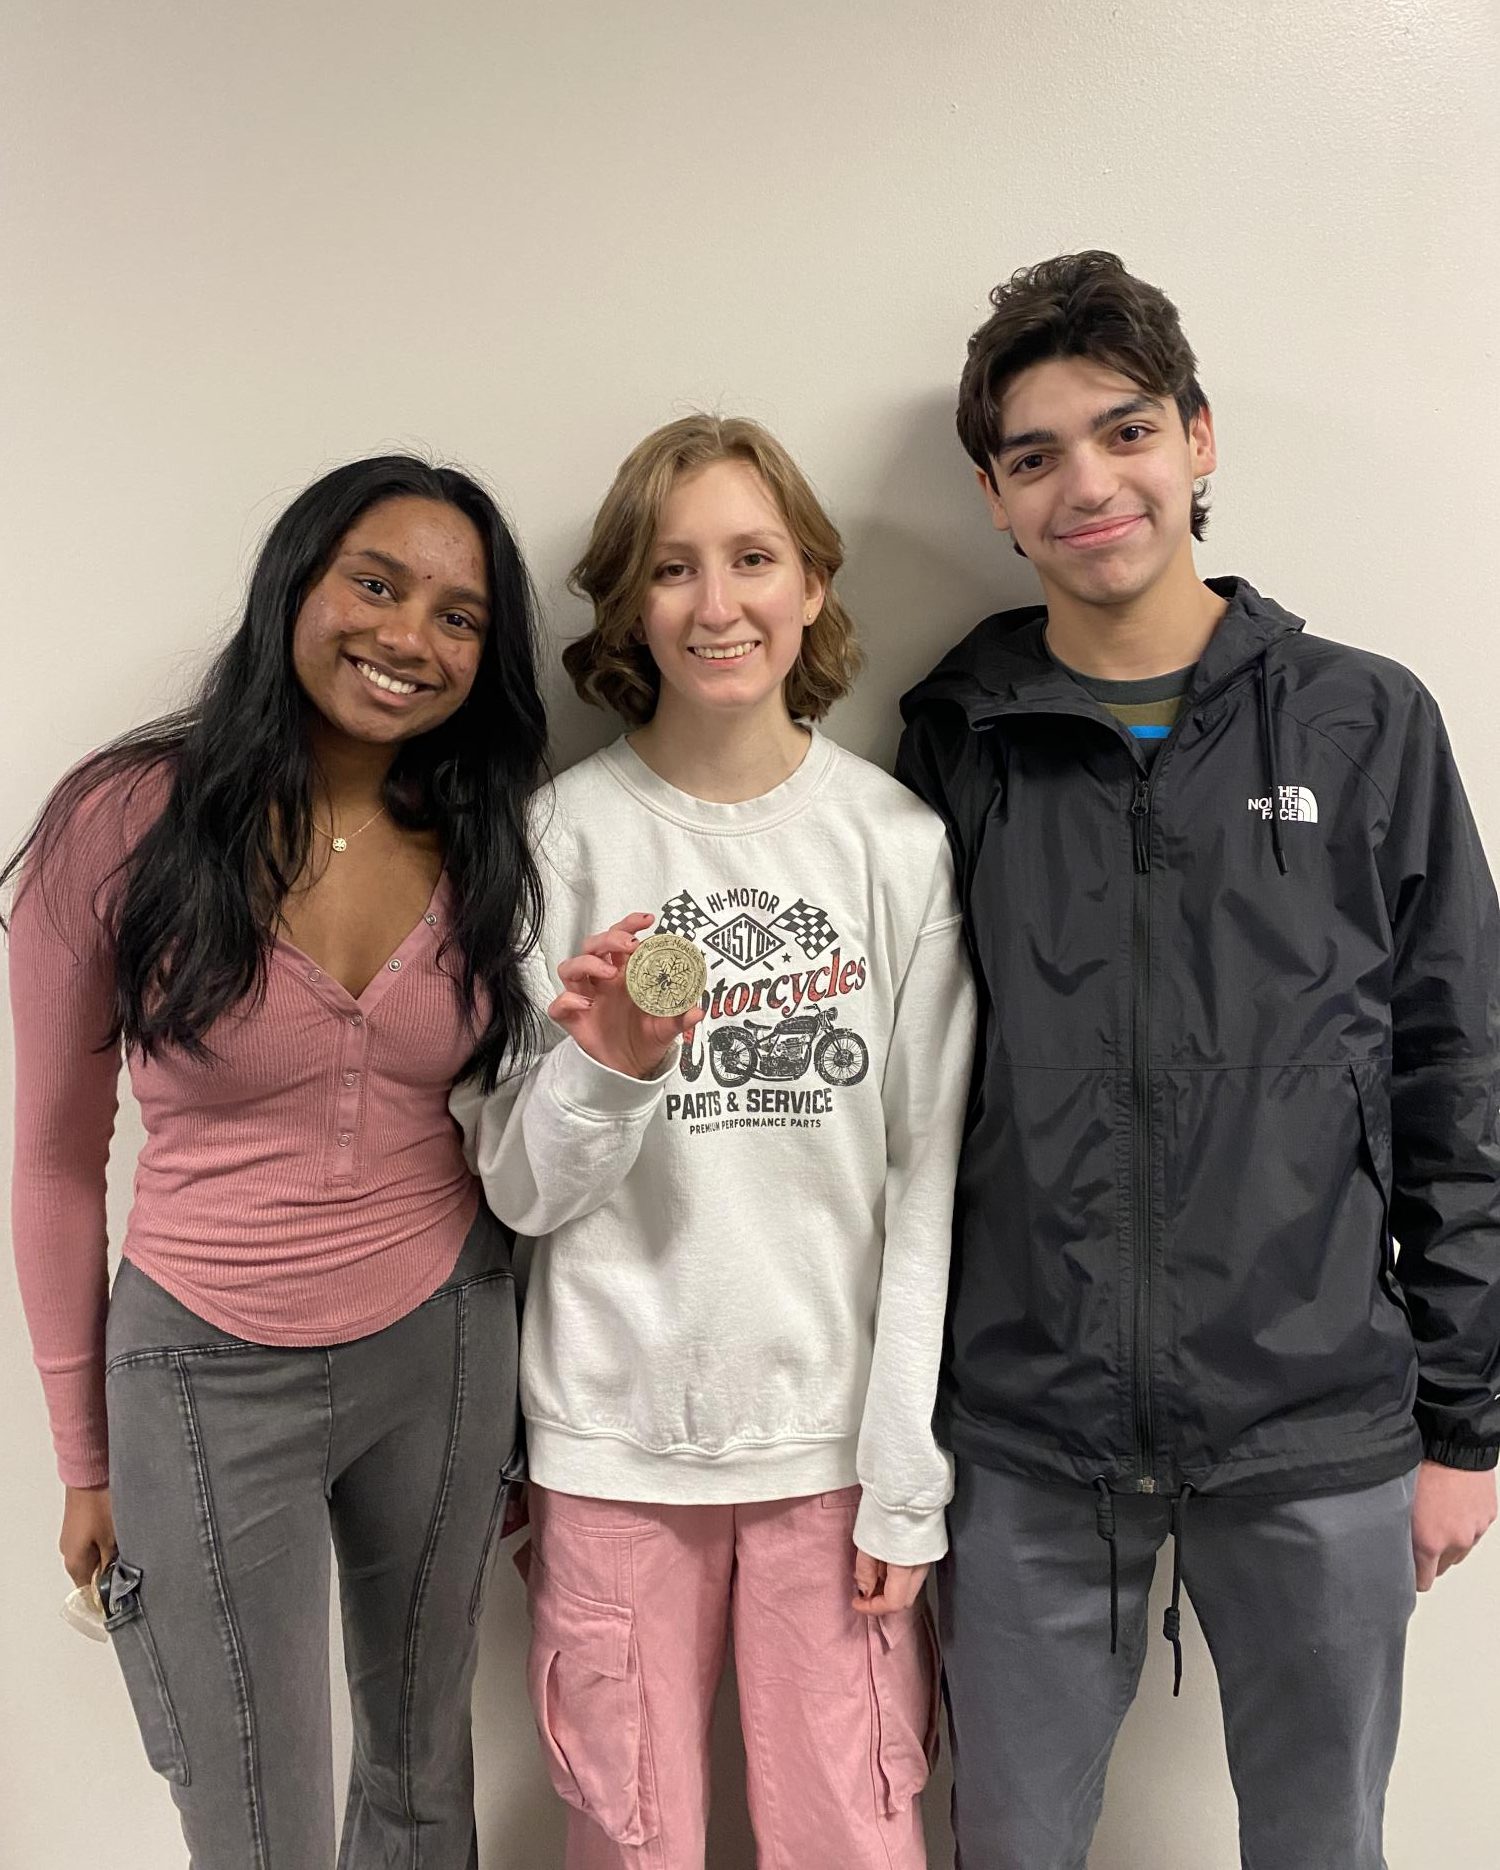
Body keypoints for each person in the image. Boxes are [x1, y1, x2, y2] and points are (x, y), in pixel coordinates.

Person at [897, 250, 1500, 1869]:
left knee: (1323, 1842)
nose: (1090, 483)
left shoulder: (1367, 724)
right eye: (1037, 457)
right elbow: (906, 1095)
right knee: (1009, 1840)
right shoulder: (960, 739)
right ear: (996, 498)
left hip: (1319, 1423)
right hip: (1025, 1430)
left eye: (1126, 430)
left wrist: (1467, 1421)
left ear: (1200, 441)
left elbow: (1459, 1080)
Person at [6, 456, 554, 1868]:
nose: (408, 637)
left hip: (443, 1338)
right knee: (254, 1817)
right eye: (375, 584)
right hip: (197, 1373)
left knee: (427, 1777)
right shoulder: (121, 819)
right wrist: (83, 1458)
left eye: (459, 615)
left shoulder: (492, 828)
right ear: (296, 584)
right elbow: (61, 1161)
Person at [453, 413, 975, 1870]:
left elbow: (925, 1178)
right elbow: (517, 1187)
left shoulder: (892, 845)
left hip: (833, 1457)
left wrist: (903, 1474)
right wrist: (609, 1069)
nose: (716, 601)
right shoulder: (560, 841)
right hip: (614, 1450)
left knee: (855, 1838)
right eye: (671, 568)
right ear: (626, 605)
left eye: (753, 557)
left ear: (812, 582)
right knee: (630, 1842)